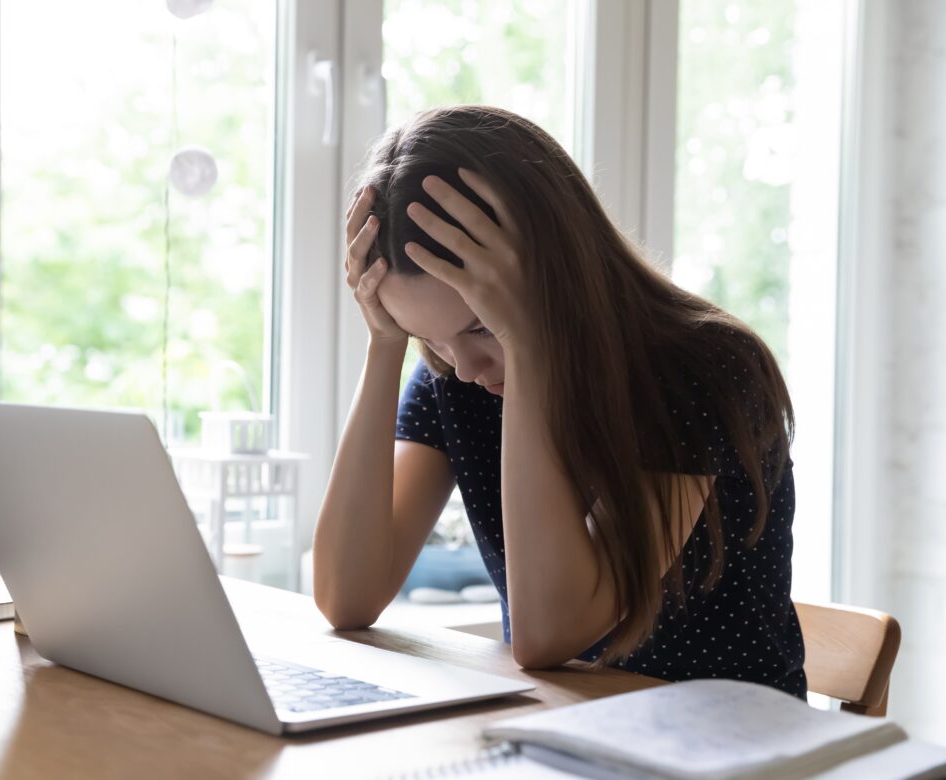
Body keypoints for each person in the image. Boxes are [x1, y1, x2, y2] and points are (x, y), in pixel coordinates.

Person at [312, 105, 806, 698]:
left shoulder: (702, 372)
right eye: (428, 338)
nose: (465, 368)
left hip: (733, 747)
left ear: (553, 270)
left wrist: (525, 351)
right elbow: (347, 597)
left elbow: (551, 635)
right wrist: (386, 345)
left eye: (479, 328)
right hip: (563, 734)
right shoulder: (456, 375)